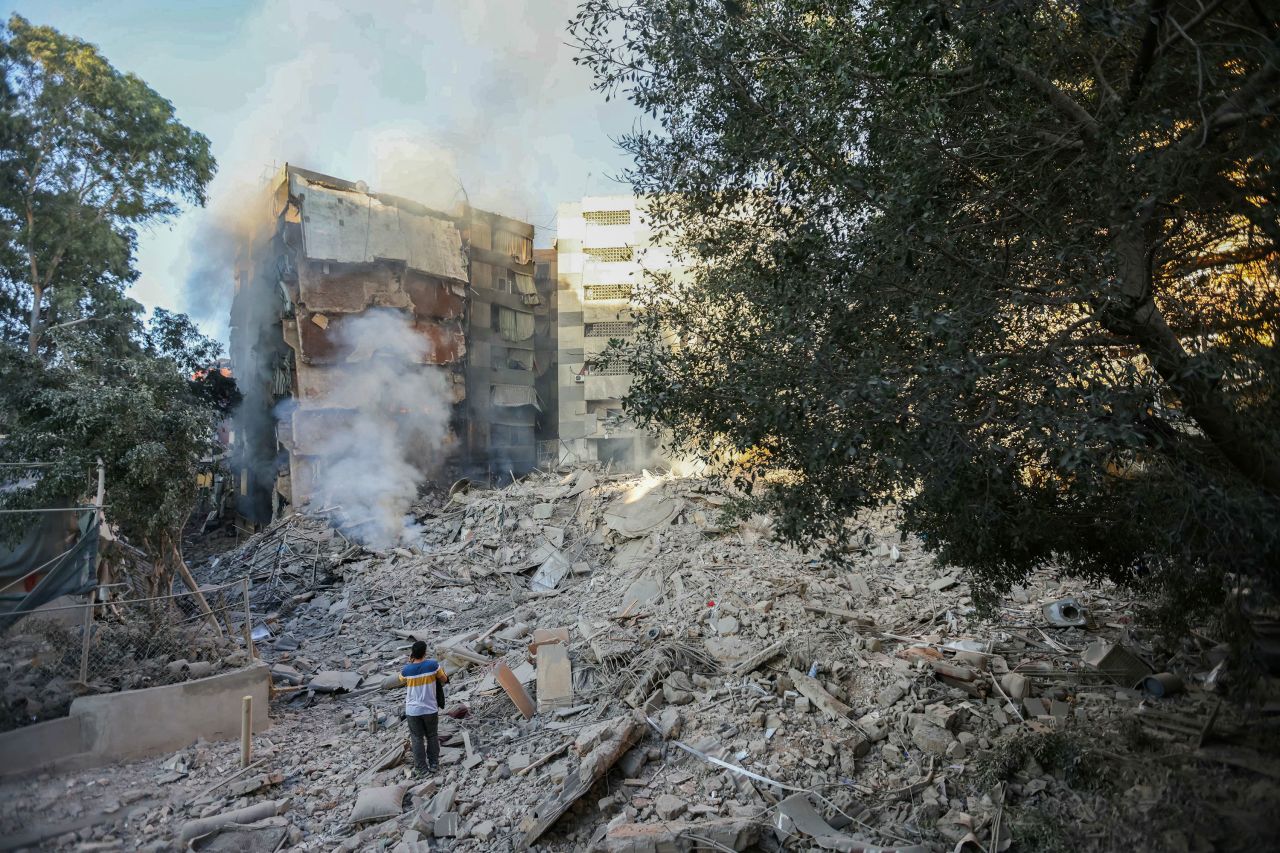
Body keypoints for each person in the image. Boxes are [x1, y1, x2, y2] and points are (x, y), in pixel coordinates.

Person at [399, 640, 447, 775]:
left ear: (412, 654)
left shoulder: (406, 670)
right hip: (430, 708)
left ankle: (421, 768)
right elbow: (444, 679)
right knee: (432, 735)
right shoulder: (433, 665)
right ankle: (434, 764)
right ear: (425, 652)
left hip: (413, 710)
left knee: (417, 738)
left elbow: (401, 680)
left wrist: (411, 661)